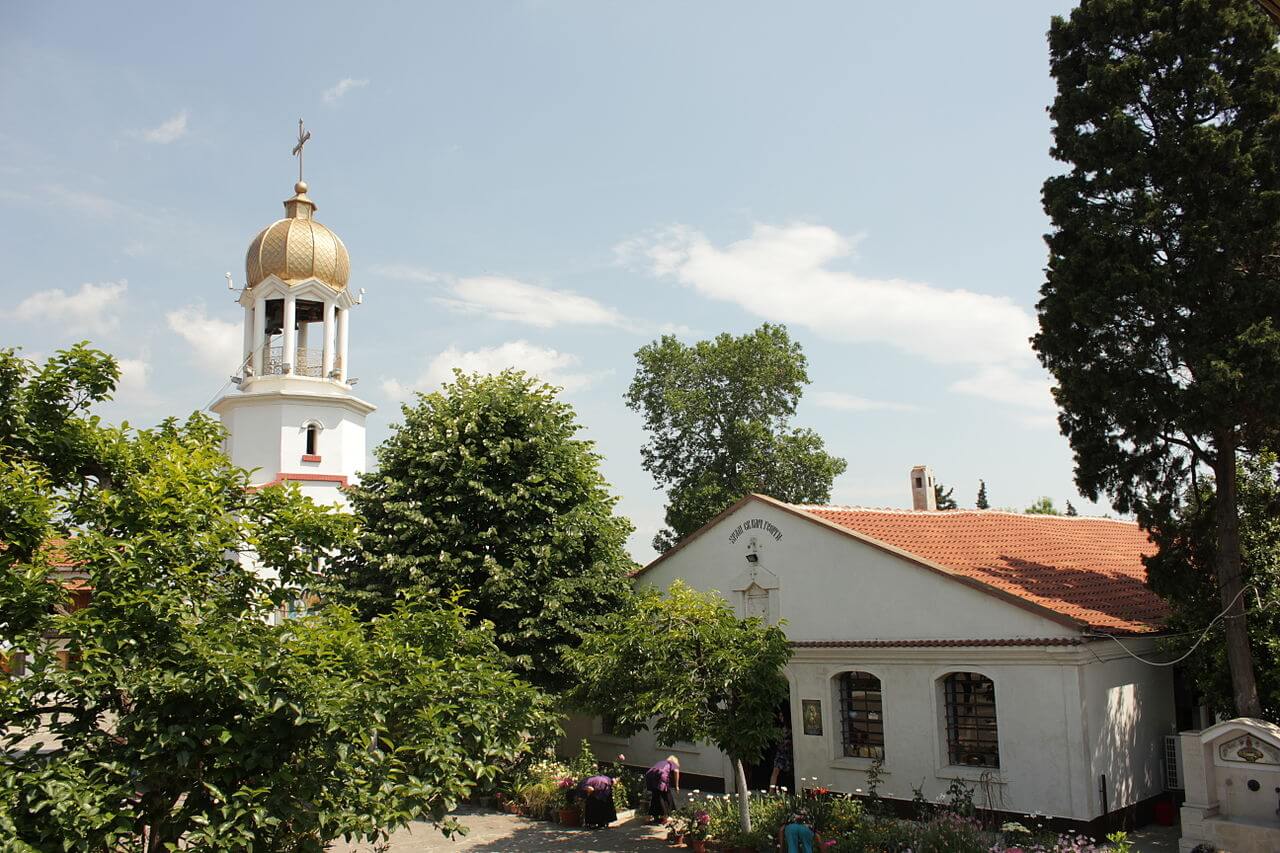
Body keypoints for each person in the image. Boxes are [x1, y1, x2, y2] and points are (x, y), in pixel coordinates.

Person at [644, 755, 680, 823]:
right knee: (666, 798)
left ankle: (648, 817)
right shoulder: (672, 763)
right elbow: (676, 772)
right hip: (660, 779)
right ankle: (666, 817)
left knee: (655, 798)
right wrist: (677, 786)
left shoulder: (662, 762)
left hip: (651, 778)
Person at [769, 712, 793, 790]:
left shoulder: (790, 728)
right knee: (776, 770)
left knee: (788, 772)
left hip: (789, 753)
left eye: (782, 716)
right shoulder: (780, 728)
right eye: (779, 716)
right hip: (780, 752)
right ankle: (771, 791)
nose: (780, 718)